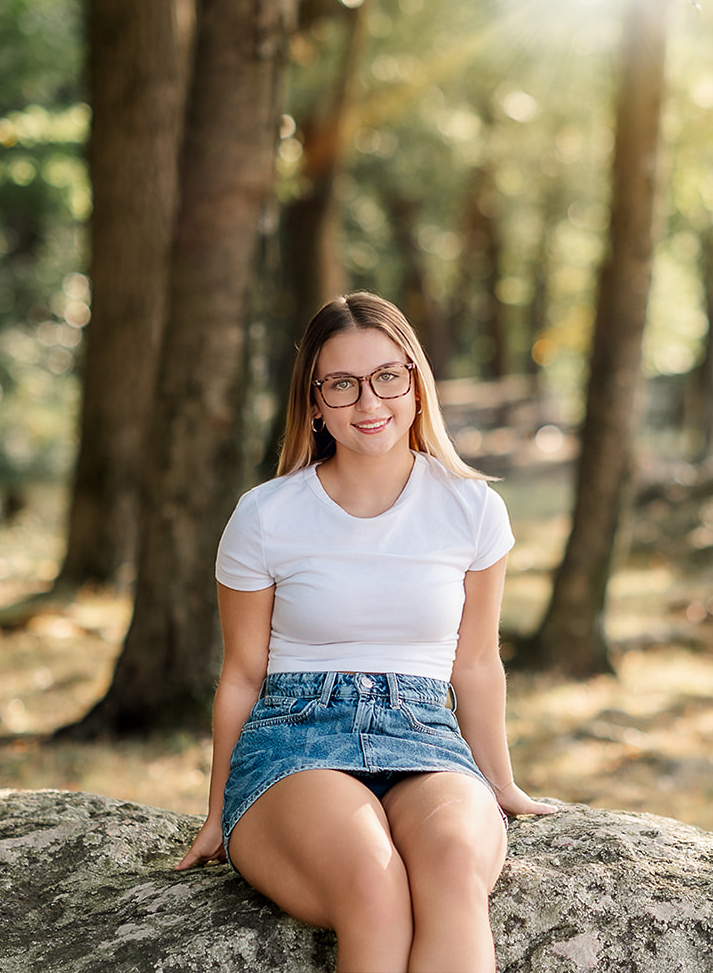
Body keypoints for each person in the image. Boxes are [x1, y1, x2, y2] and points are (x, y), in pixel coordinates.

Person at [176, 291, 556, 971]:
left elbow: (475, 664)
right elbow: (240, 675)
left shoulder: (473, 507)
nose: (369, 402)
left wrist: (500, 780)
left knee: (452, 870)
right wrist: (215, 810)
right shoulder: (265, 515)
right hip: (296, 741)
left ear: (415, 383)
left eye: (387, 376)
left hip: (425, 737)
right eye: (342, 385)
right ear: (314, 402)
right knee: (375, 883)